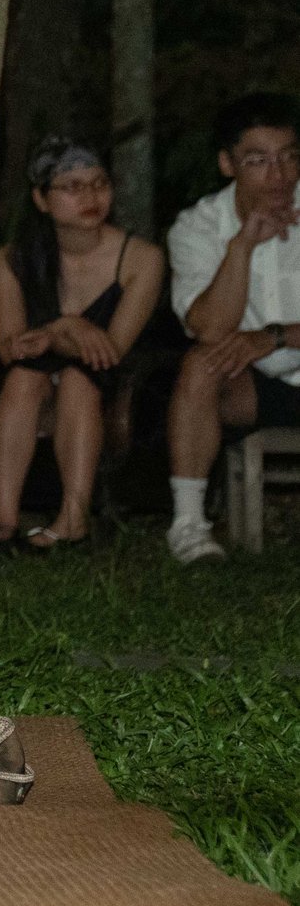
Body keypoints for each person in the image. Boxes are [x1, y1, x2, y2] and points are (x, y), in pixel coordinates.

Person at [0, 137, 163, 552]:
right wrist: (67, 328)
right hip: (37, 376)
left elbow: (110, 349)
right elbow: (9, 347)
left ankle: (73, 521)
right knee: (22, 380)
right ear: (41, 200)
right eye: (72, 186)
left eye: (99, 183)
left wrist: (59, 333)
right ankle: (5, 523)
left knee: (81, 382)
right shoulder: (13, 259)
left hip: (117, 380)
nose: (90, 196)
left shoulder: (141, 258)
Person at [163, 92, 300, 563]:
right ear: (228, 164)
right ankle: (189, 526)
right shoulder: (196, 228)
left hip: (286, 352)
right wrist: (241, 247)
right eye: (258, 160)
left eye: (288, 157)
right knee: (201, 364)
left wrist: (275, 336)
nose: (278, 175)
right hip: (258, 388)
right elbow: (207, 328)